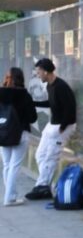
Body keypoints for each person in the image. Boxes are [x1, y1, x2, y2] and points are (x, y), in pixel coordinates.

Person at [25, 57, 76, 200]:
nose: (37, 74)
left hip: (62, 127)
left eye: (39, 72)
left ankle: (41, 186)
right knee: (40, 155)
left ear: (46, 72)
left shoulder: (61, 86)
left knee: (51, 157)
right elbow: (52, 104)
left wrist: (63, 127)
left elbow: (70, 109)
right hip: (52, 125)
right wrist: (34, 103)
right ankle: (45, 186)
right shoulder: (50, 86)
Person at [0, 67, 37, 206]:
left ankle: (12, 195)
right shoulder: (24, 95)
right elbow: (32, 118)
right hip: (20, 133)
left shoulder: (1, 94)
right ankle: (9, 198)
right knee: (14, 166)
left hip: (3, 133)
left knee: (7, 165)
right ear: (20, 78)